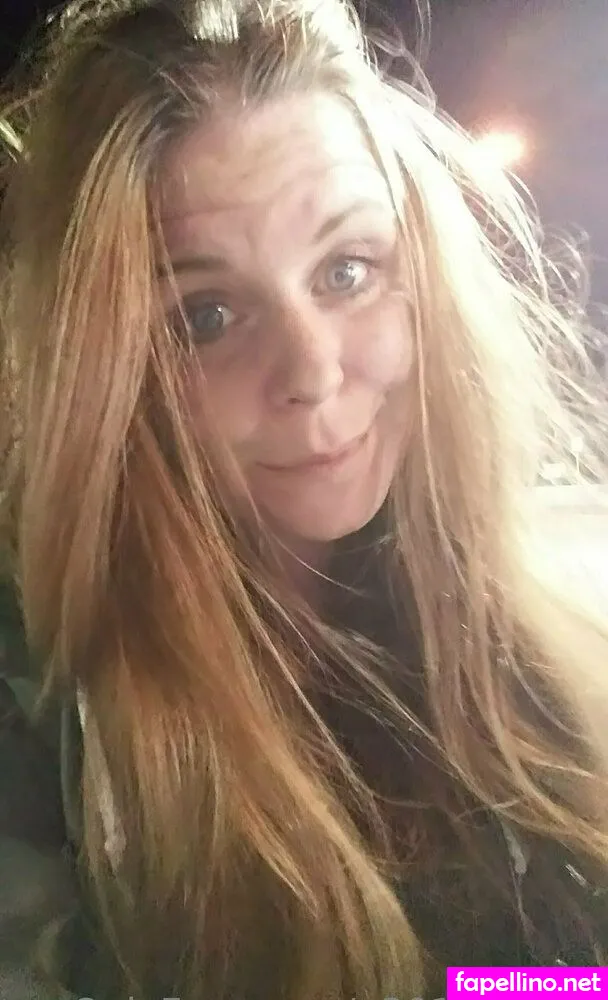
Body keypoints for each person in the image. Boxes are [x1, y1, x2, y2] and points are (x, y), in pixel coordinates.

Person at [0, 0, 607, 997]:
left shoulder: (560, 599)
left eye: (346, 271)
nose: (314, 373)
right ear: (104, 370)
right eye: (206, 315)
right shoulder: (48, 721)